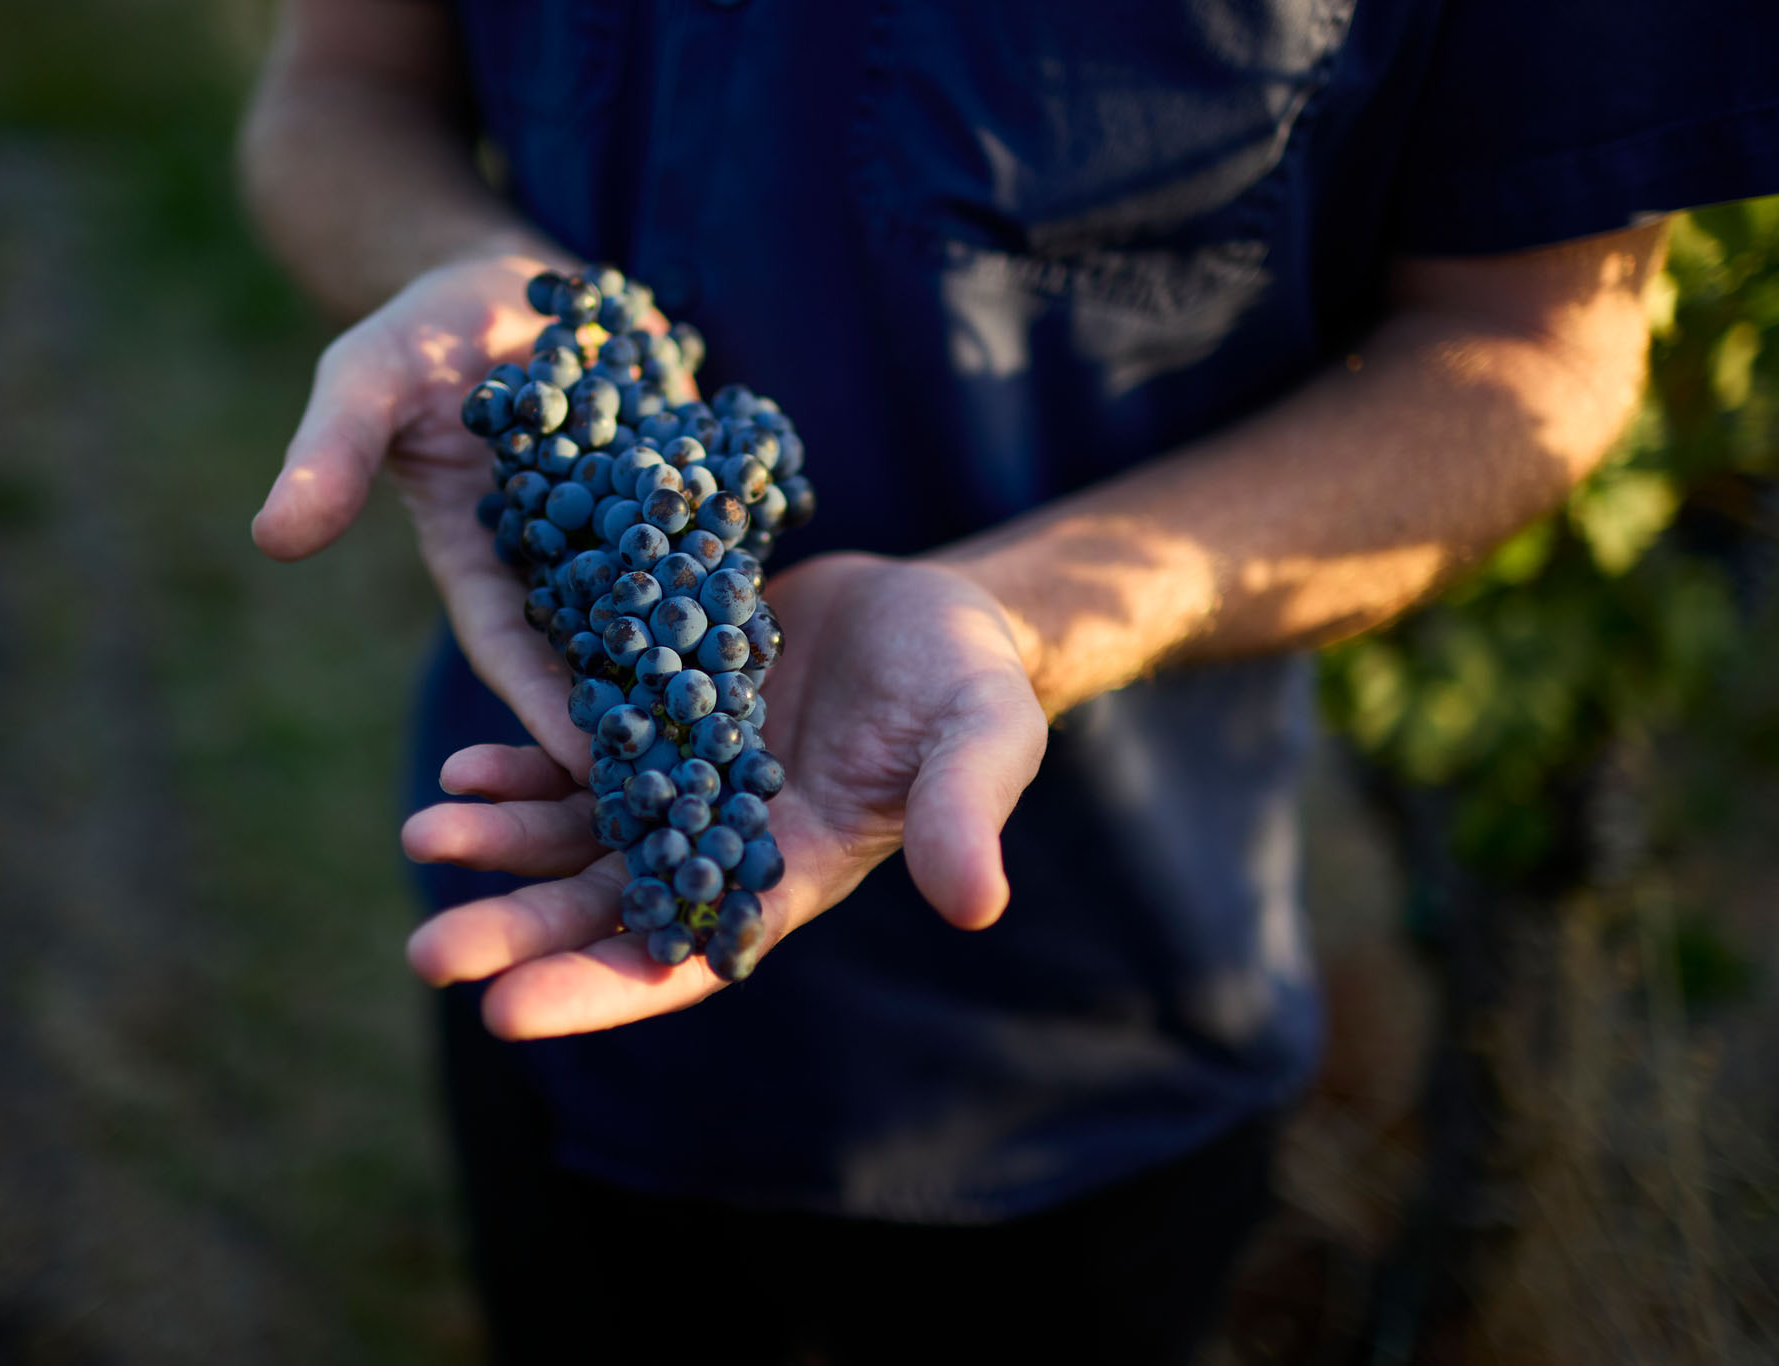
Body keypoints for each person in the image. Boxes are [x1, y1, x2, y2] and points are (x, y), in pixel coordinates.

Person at [238, 1, 1779, 1359]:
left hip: (1107, 1012)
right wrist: (489, 285)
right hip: (577, 866)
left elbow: (1530, 349)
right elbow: (339, 88)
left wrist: (1020, 613)